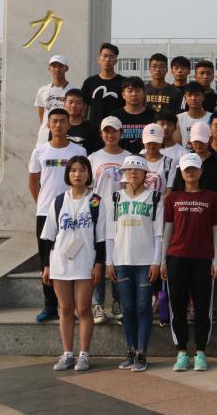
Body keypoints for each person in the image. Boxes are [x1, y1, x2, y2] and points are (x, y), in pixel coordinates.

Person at [40, 155, 106, 371]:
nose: (78, 174)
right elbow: (49, 236)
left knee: (84, 309)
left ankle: (84, 354)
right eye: (73, 170)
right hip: (60, 262)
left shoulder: (96, 201)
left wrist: (99, 263)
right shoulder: (58, 201)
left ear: (89, 174)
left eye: (82, 170)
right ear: (68, 174)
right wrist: (46, 266)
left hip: (86, 262)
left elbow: (102, 237)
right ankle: (67, 353)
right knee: (66, 309)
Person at [163, 152, 217, 372]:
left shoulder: (211, 197)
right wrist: (162, 260)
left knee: (202, 307)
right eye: (187, 169)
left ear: (201, 171)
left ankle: (200, 352)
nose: (190, 172)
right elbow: (167, 229)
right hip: (176, 257)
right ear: (181, 172)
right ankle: (181, 352)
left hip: (203, 258)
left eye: (194, 169)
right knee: (178, 307)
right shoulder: (173, 198)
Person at [29, 109, 87, 323]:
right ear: (48, 125)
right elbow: (33, 181)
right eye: (54, 121)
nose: (58, 125)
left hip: (72, 212)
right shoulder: (40, 151)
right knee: (46, 259)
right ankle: (50, 304)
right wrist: (42, 203)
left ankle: (70, 305)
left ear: (69, 124)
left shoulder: (79, 150)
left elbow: (85, 178)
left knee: (71, 255)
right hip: (46, 212)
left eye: (63, 121)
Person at [106, 155, 163, 372]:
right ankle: (130, 350)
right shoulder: (116, 198)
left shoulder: (154, 197)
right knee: (127, 308)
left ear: (145, 174)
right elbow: (110, 233)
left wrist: (156, 261)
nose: (132, 173)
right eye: (128, 169)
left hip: (145, 261)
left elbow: (158, 233)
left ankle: (141, 353)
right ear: (123, 173)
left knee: (143, 307)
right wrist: (109, 261)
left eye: (137, 170)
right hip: (121, 260)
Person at [87, 116, 130, 323]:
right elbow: (89, 189)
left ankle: (117, 301)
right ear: (101, 133)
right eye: (106, 131)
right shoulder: (93, 158)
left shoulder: (129, 157)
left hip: (121, 216)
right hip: (98, 216)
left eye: (114, 131)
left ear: (121, 133)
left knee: (118, 260)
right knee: (98, 260)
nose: (110, 135)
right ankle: (97, 304)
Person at [81, 43, 124, 126]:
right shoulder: (89, 82)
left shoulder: (123, 82)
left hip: (116, 129)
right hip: (94, 129)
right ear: (99, 59)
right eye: (104, 56)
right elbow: (84, 108)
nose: (107, 59)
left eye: (111, 56)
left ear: (116, 61)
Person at [114, 77, 154, 155]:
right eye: (130, 91)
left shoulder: (153, 116)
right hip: (120, 158)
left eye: (138, 91)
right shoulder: (115, 116)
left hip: (146, 159)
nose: (134, 94)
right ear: (123, 94)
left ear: (144, 93)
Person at [35, 54, 71, 138]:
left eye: (60, 66)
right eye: (54, 66)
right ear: (49, 68)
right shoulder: (42, 90)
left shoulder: (74, 90)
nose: (57, 69)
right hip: (45, 134)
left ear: (66, 68)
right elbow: (42, 115)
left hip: (67, 134)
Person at [60, 88, 100, 153]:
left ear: (84, 106)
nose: (73, 105)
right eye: (70, 102)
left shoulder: (92, 128)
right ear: (64, 103)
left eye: (78, 103)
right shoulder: (58, 127)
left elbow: (96, 153)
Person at [177, 82, 211, 147]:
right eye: (189, 95)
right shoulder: (178, 119)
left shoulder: (212, 118)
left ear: (203, 96)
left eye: (197, 95)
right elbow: (178, 146)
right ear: (185, 97)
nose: (193, 98)